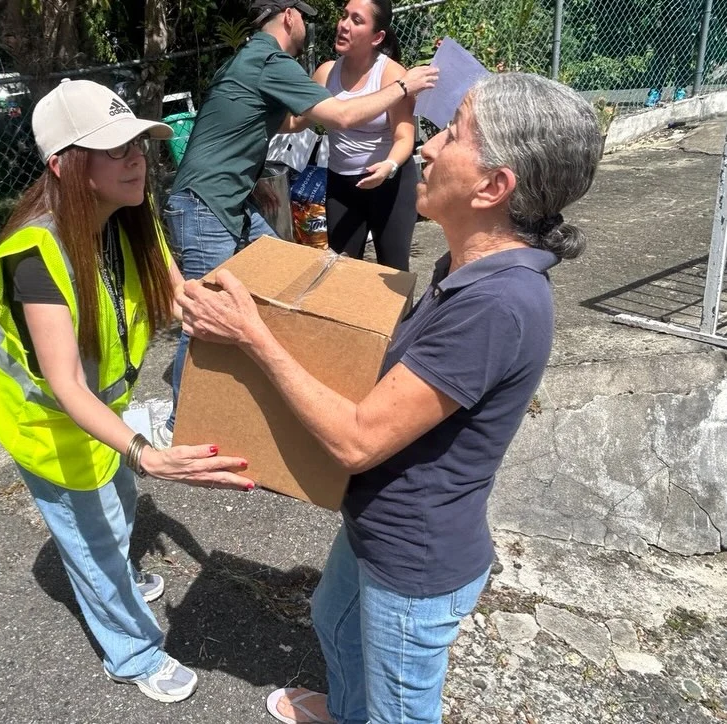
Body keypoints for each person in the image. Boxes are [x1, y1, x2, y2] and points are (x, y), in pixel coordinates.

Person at [177, 72, 603, 723]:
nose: (426, 148)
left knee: (400, 708)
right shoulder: (469, 268)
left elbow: (356, 439)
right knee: (334, 620)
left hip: (415, 558)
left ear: (494, 186)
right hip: (380, 524)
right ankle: (348, 709)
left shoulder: (497, 304)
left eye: (453, 135)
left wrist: (253, 336)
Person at [0, 79, 253, 704]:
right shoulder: (34, 257)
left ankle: (119, 568)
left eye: (138, 143)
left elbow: (179, 297)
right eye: (115, 147)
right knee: (94, 544)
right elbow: (66, 384)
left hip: (104, 406)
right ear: (65, 164)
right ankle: (132, 653)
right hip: (43, 423)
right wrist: (147, 453)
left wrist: (246, 326)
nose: (136, 158)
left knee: (119, 504)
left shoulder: (131, 213)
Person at [160, 0, 438, 446]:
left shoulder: (254, 58)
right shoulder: (271, 59)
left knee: (285, 270)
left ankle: (282, 380)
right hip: (205, 202)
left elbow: (287, 121)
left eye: (355, 19)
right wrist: (405, 85)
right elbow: (341, 116)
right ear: (290, 16)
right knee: (202, 313)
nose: (326, 27)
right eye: (308, 20)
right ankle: (180, 426)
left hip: (227, 199)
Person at [313, 0, 420, 270]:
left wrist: (389, 165)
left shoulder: (393, 76)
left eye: (356, 20)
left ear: (377, 37)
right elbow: (297, 121)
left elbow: (404, 137)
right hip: (341, 184)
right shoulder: (325, 73)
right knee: (340, 271)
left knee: (392, 272)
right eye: (344, 16)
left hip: (389, 182)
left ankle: (403, 316)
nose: (343, 25)